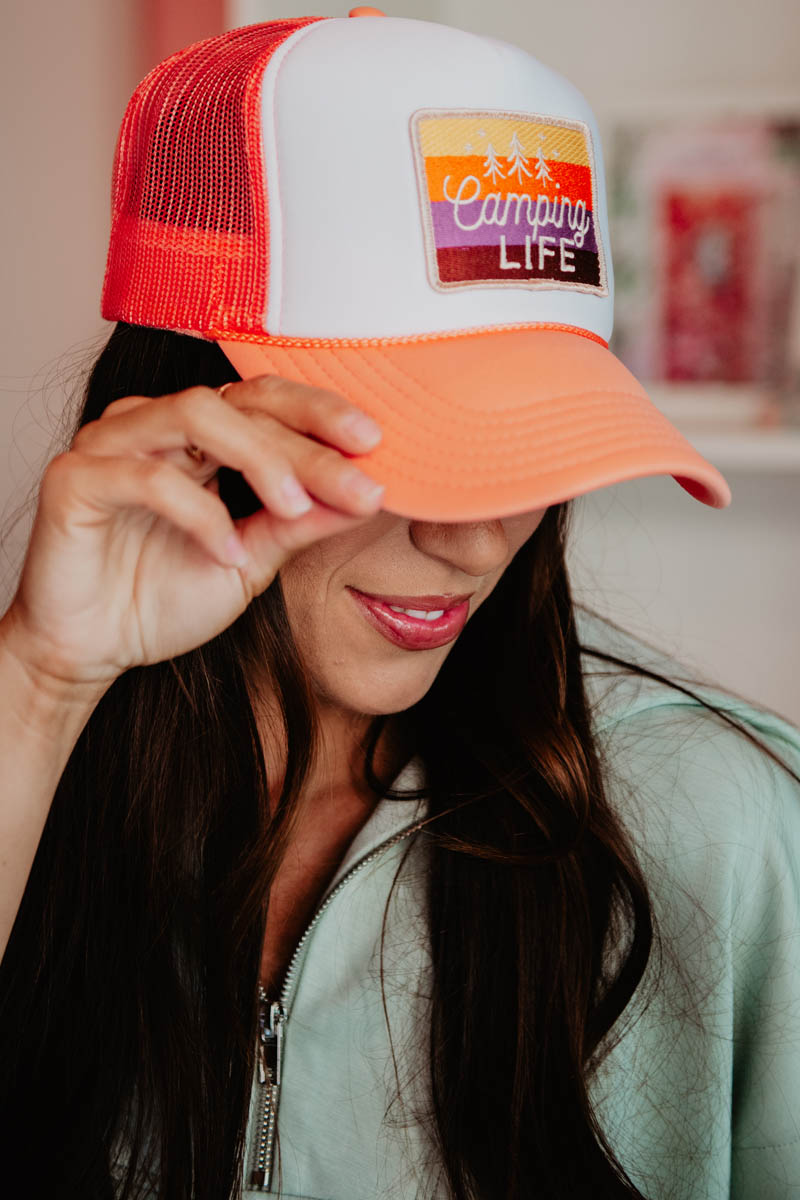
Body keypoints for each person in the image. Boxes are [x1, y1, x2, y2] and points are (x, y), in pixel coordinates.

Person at [1, 10, 799, 1200]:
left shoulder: (721, 826)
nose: (476, 537)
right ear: (193, 406)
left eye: (530, 443)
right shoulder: (31, 760)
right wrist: (40, 684)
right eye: (409, 446)